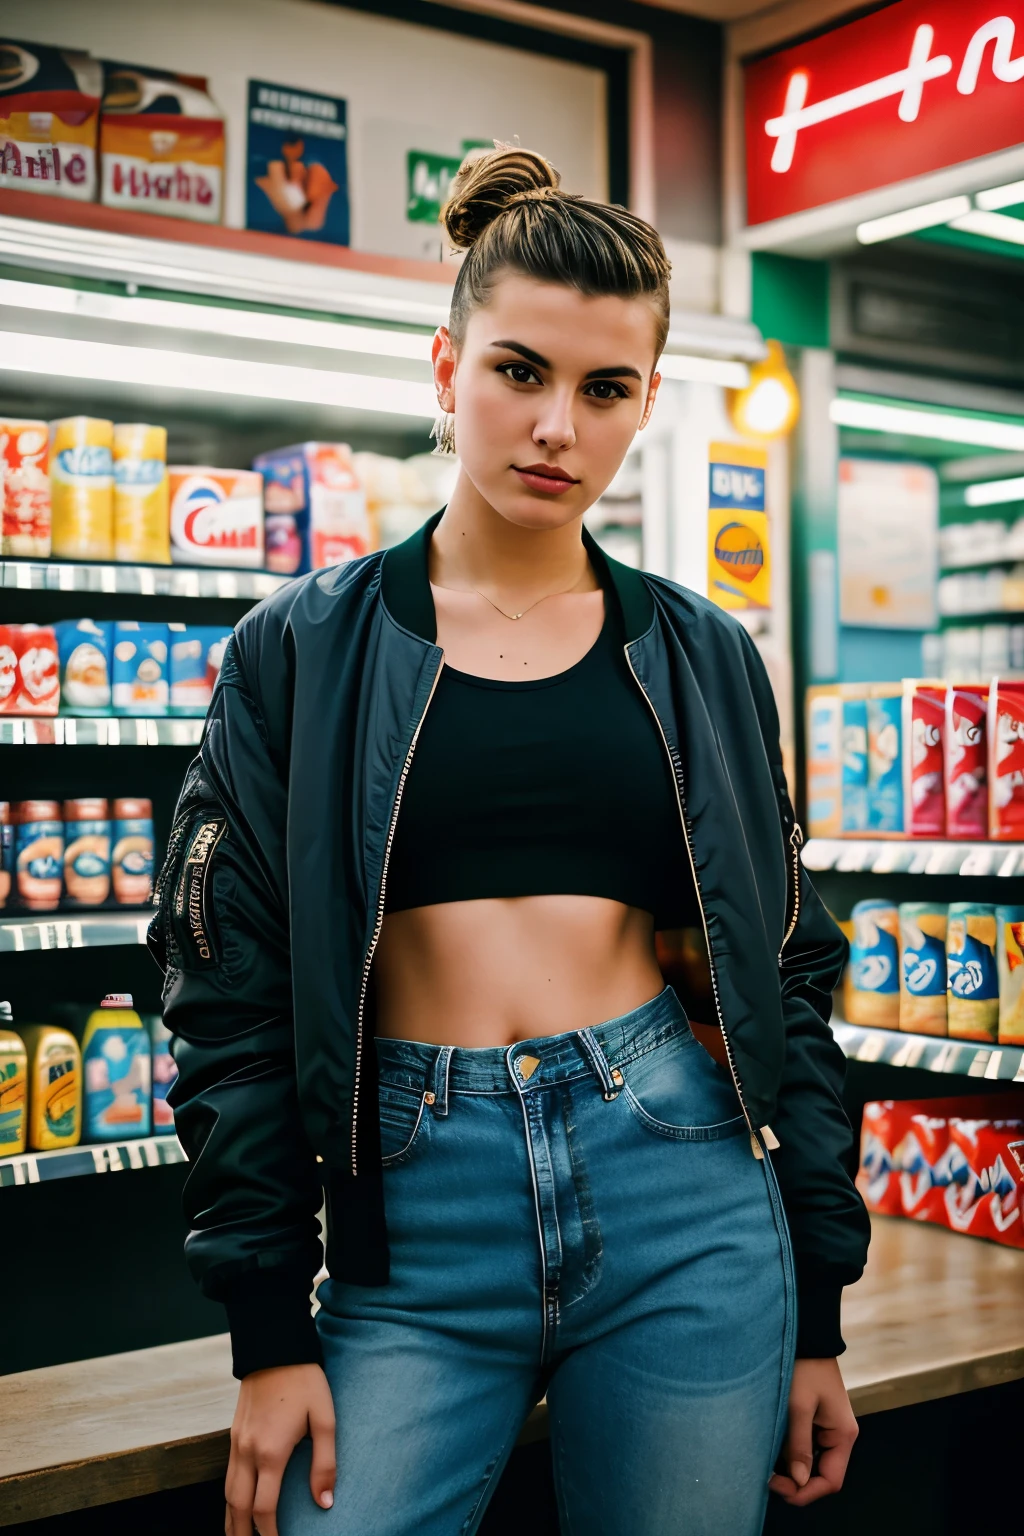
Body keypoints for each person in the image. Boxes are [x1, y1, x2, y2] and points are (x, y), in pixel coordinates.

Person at [150, 146, 870, 1536]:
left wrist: (819, 1308)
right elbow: (223, 990)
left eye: (604, 390)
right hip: (415, 1219)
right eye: (519, 372)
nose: (557, 425)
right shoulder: (300, 651)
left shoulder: (707, 654)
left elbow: (785, 975)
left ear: (647, 404)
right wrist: (266, 1328)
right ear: (446, 367)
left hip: (684, 1185)